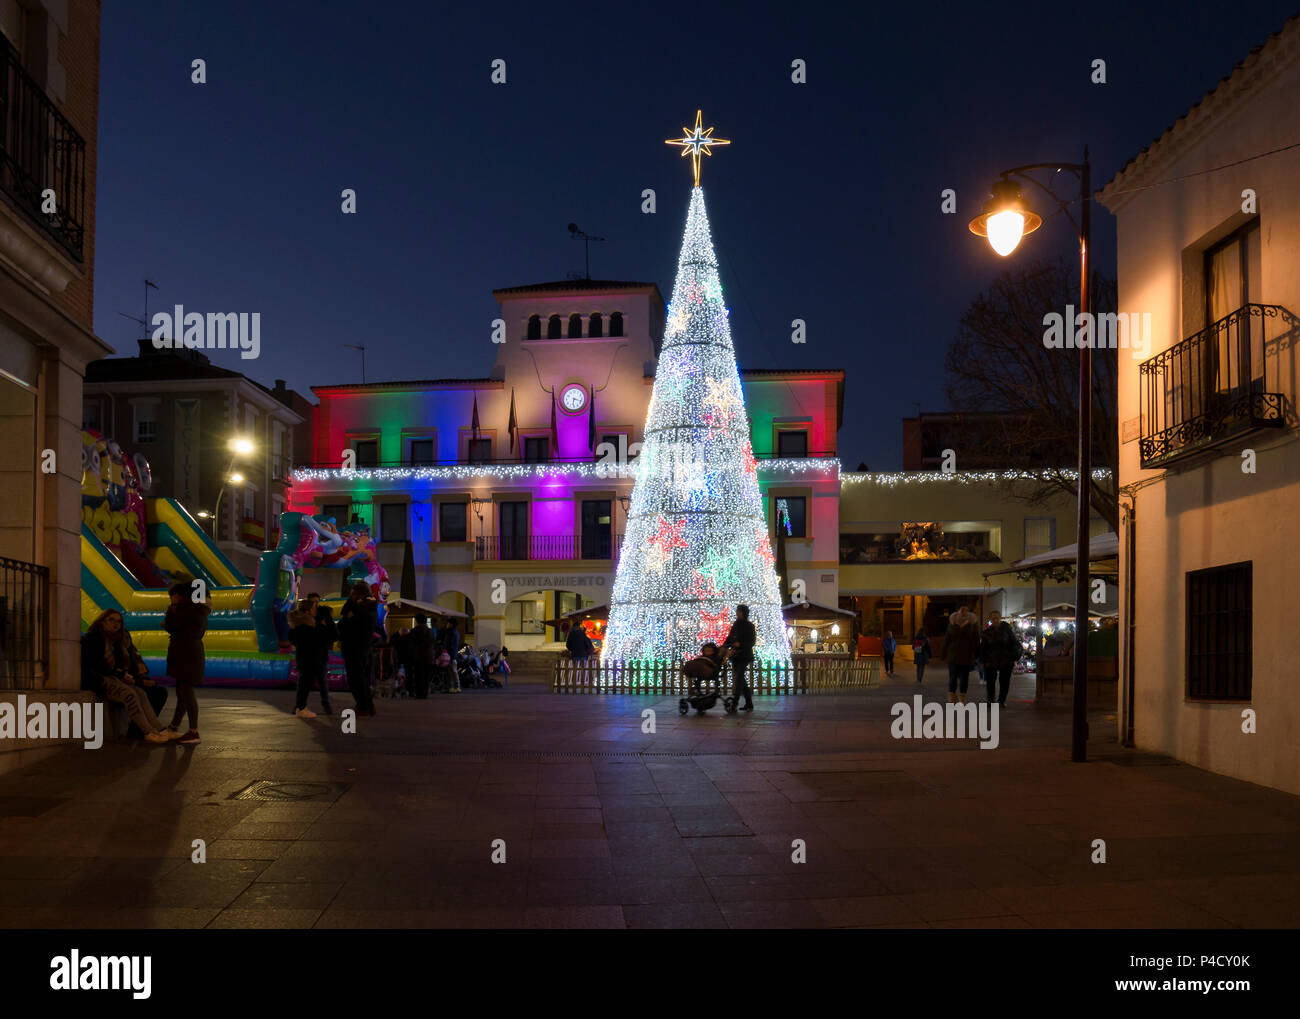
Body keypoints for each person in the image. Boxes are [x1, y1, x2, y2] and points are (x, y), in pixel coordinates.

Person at [81, 610, 176, 743]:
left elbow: (124, 666)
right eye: (111, 620)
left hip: (115, 678)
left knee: (141, 693)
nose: (115, 624)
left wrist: (133, 678)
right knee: (130, 694)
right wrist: (122, 675)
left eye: (118, 621)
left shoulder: (117, 640)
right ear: (102, 621)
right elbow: (97, 666)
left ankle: (159, 729)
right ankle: (147, 731)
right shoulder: (94, 638)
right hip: (98, 679)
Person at [163, 581, 210, 745]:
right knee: (183, 692)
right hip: (193, 651)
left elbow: (171, 625)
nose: (171, 598)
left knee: (186, 692)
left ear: (179, 595)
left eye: (172, 595)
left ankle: (193, 731)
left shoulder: (184, 608)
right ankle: (174, 726)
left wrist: (171, 611)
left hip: (184, 652)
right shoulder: (200, 610)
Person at [339, 581, 379, 716]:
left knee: (356, 678)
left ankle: (363, 706)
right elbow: (345, 615)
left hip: (354, 647)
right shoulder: (371, 608)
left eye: (353, 594)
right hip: (362, 647)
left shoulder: (361, 609)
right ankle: (368, 705)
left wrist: (346, 619)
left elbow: (345, 623)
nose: (351, 596)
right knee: (361, 677)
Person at [287, 600, 323, 718]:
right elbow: (313, 642)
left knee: (305, 682)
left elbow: (292, 639)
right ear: (307, 611)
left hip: (304, 657)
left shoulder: (299, 625)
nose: (315, 610)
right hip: (308, 657)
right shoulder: (306, 626)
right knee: (305, 683)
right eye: (313, 608)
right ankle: (301, 708)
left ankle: (301, 706)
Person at [980, 610, 1019, 707]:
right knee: (990, 682)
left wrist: (1013, 657)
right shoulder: (986, 633)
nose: (995, 620)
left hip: (1006, 660)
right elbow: (983, 648)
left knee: (1004, 682)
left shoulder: (1007, 630)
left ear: (1000, 618)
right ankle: (990, 700)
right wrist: (982, 660)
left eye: (997, 618)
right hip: (991, 660)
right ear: (991, 620)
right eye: (993, 618)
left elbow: (1014, 644)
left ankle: (1001, 700)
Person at [722, 603, 756, 711]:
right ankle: (749, 703)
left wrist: (740, 644)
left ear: (743, 612)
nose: (737, 613)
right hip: (736, 655)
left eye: (739, 611)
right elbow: (730, 637)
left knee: (738, 679)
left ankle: (735, 703)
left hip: (744, 655)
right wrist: (724, 646)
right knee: (741, 679)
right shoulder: (736, 624)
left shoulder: (749, 625)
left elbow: (752, 642)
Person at [943, 605, 980, 705]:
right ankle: (952, 696)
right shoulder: (952, 622)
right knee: (952, 678)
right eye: (962, 609)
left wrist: (977, 654)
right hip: (953, 656)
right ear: (958, 610)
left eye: (966, 609)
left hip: (966, 656)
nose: (964, 611)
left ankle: (962, 697)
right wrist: (943, 653)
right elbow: (947, 639)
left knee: (964, 678)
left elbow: (976, 640)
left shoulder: (972, 624)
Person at [306, 593, 336, 714]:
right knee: (306, 681)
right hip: (308, 653)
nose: (315, 604)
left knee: (322, 679)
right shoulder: (304, 615)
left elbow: (333, 633)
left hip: (320, 652)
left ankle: (326, 703)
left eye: (317, 601)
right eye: (313, 602)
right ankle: (301, 704)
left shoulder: (324, 615)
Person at [407, 615, 435, 698]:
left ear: (416, 621)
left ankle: (419, 694)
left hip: (418, 657)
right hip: (429, 657)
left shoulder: (415, 630)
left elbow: (411, 644)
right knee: (426, 677)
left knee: (419, 676)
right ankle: (424, 694)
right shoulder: (430, 631)